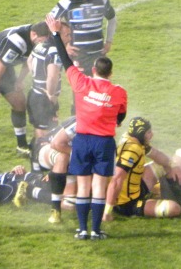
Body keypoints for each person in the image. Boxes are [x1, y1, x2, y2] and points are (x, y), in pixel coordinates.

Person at [46, 14, 127, 240]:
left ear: (93, 70)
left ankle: (82, 230)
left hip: (82, 140)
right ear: (110, 73)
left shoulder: (81, 83)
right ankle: (96, 230)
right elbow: (121, 116)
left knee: (83, 186)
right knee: (99, 186)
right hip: (104, 142)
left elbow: (65, 60)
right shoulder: (119, 92)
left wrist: (55, 33)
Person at [0, 22, 51, 165]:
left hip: (4, 65)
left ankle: (21, 146)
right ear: (34, 34)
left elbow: (29, 59)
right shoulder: (17, 41)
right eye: (41, 41)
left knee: (19, 102)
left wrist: (19, 80)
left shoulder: (36, 37)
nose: (42, 44)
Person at [103, 117, 181, 222]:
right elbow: (116, 179)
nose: (152, 135)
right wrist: (107, 212)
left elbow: (157, 155)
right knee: (174, 208)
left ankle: (179, 196)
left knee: (163, 164)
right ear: (141, 134)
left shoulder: (133, 139)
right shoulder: (131, 151)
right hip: (127, 203)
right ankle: (164, 196)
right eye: (149, 132)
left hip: (136, 188)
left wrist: (173, 165)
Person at [49, 0, 117, 76]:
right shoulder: (67, 2)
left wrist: (109, 41)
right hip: (79, 56)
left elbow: (112, 19)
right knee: (81, 85)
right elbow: (49, 23)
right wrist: (64, 45)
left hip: (99, 53)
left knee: (100, 84)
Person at [30, 116, 78, 223]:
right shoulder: (80, 121)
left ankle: (31, 189)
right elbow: (56, 144)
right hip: (47, 145)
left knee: (71, 203)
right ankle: (55, 210)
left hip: (70, 156)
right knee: (63, 157)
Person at [27, 22, 70, 138]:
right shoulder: (55, 52)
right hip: (44, 98)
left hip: (34, 94)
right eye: (67, 35)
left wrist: (37, 77)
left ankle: (36, 149)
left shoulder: (40, 45)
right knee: (46, 133)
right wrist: (50, 94)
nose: (69, 38)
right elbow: (52, 76)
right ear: (58, 34)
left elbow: (29, 61)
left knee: (39, 129)